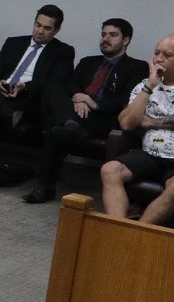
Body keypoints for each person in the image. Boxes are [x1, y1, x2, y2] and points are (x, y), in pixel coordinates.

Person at [96, 33, 174, 225]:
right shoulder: (144, 86)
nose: (158, 59)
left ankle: (138, 234)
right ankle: (118, 229)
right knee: (109, 169)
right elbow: (127, 123)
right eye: (156, 53)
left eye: (167, 55)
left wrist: (150, 121)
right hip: (150, 153)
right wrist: (149, 87)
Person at [0, 4, 75, 194]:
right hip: (0, 92)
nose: (40, 31)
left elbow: (55, 83)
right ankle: (1, 107)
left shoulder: (63, 51)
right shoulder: (14, 42)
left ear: (56, 30)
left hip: (26, 100)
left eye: (47, 28)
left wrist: (25, 86)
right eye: (37, 25)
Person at [22, 19, 146, 204]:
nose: (106, 39)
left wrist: (94, 104)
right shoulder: (88, 62)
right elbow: (70, 85)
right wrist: (79, 96)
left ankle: (45, 186)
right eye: (103, 34)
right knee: (51, 85)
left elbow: (128, 100)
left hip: (103, 118)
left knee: (55, 124)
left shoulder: (137, 67)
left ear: (126, 40)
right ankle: (70, 124)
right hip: (74, 111)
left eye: (112, 35)